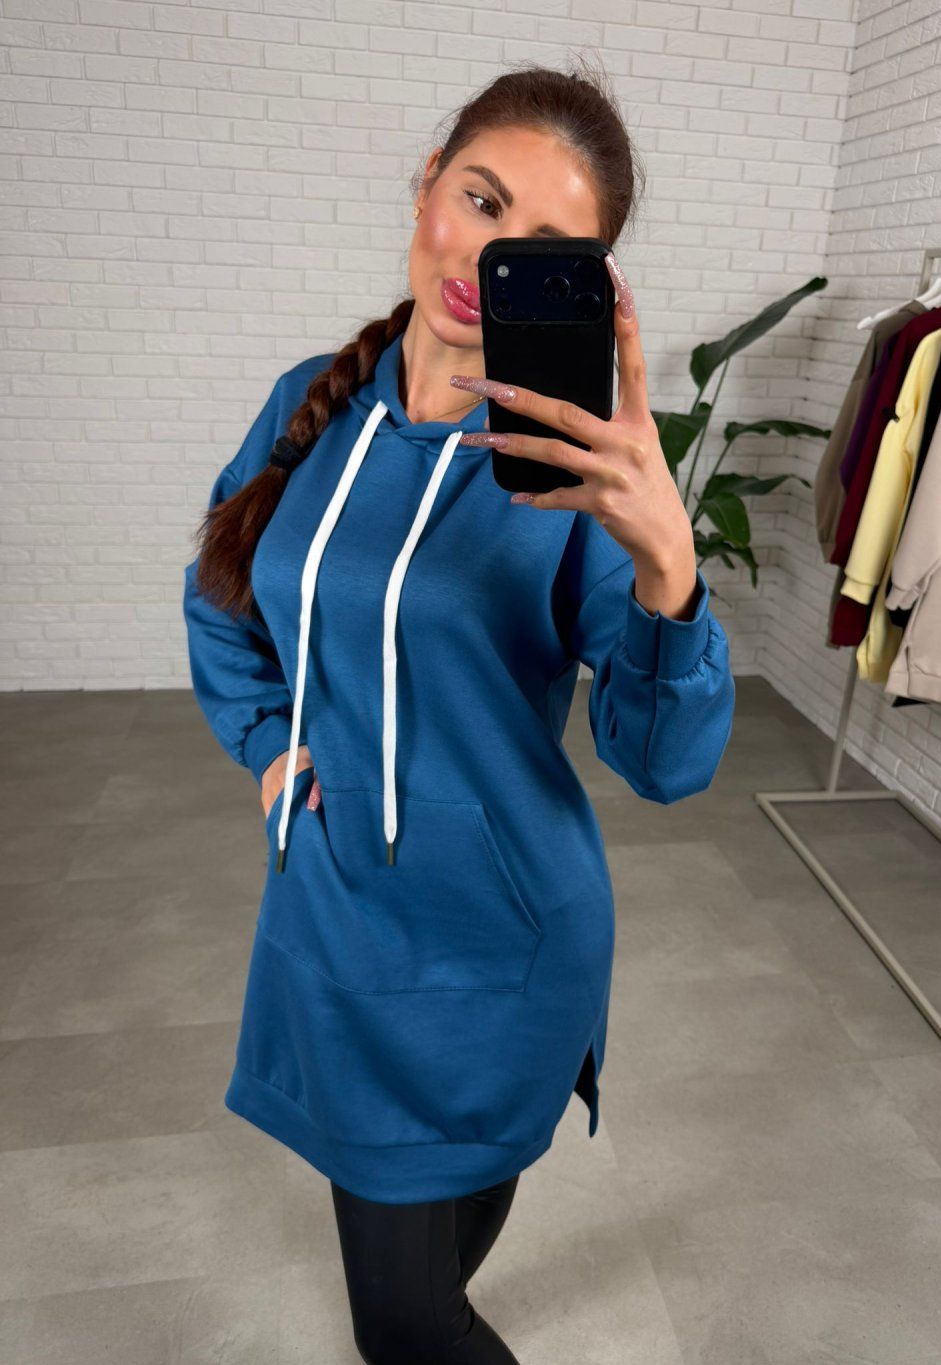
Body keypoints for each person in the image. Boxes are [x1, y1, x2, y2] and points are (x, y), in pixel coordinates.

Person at [182, 56, 735, 1365]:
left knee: (411, 1317)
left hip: (503, 947)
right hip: (334, 928)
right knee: (415, 1308)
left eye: (542, 248)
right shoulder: (308, 402)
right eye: (481, 201)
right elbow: (222, 598)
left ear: (585, 285)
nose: (490, 259)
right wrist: (266, 750)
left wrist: (667, 565)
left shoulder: (578, 475)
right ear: (428, 182)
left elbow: (663, 761)